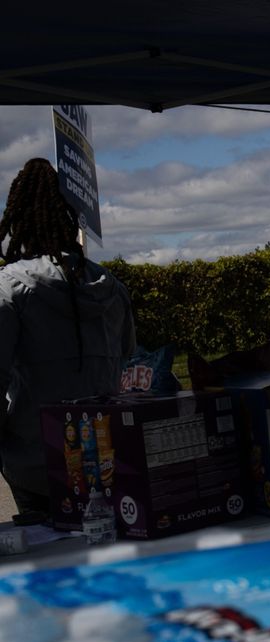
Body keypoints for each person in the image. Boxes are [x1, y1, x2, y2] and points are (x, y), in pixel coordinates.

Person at [0, 158, 135, 523]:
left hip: (35, 462)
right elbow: (127, 358)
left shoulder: (10, 287)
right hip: (107, 457)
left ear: (17, 218)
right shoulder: (111, 287)